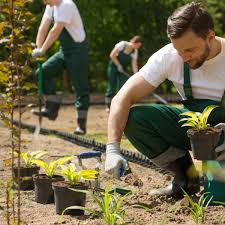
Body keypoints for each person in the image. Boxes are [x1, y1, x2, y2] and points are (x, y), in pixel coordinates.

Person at [104, 1, 225, 198]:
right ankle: (186, 178)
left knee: (219, 197)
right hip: (195, 129)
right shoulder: (169, 56)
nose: (183, 57)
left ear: (210, 37)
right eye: (179, 50)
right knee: (136, 119)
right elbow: (122, 98)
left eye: (190, 50)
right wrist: (112, 149)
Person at [31, 0, 89, 135]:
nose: (44, 2)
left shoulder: (67, 5)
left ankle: (81, 125)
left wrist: (43, 50)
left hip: (77, 50)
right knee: (42, 72)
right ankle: (51, 108)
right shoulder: (51, 6)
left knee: (81, 87)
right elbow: (43, 28)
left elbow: (55, 31)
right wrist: (38, 48)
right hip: (64, 51)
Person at [105, 36, 143, 112]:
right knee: (112, 86)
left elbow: (134, 65)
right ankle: (108, 106)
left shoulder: (134, 51)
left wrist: (136, 75)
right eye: (138, 45)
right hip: (113, 67)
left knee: (123, 86)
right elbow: (112, 55)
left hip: (123, 70)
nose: (138, 47)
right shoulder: (122, 45)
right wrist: (118, 65)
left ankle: (119, 105)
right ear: (135, 42)